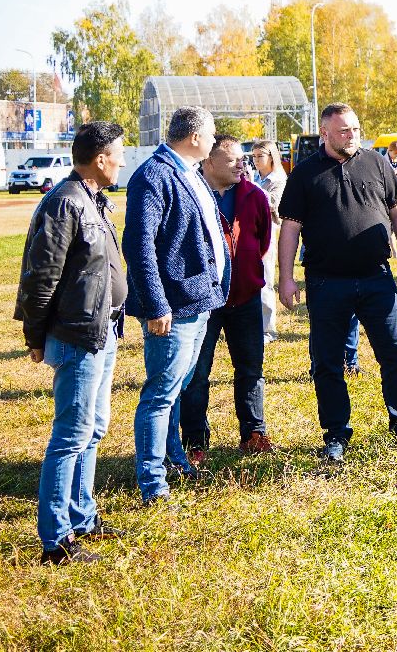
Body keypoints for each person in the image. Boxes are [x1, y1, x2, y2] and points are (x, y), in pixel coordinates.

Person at [277, 103, 397, 463]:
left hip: (377, 278)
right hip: (326, 283)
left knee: (395, 354)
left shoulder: (377, 163)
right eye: (344, 131)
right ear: (325, 134)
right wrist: (285, 278)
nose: (352, 136)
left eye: (356, 129)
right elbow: (291, 227)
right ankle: (336, 434)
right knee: (327, 362)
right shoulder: (304, 174)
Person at [15, 121, 128, 563]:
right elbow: (40, 275)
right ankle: (56, 541)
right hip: (77, 336)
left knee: (93, 429)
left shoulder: (94, 200)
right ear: (99, 160)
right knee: (71, 435)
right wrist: (34, 334)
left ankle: (83, 516)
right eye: (117, 153)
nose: (121, 160)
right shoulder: (65, 203)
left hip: (102, 332)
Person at [123, 106, 228, 505]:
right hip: (174, 306)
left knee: (177, 387)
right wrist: (155, 304)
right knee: (161, 392)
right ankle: (153, 483)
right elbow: (139, 245)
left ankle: (172, 458)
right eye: (212, 134)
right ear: (196, 137)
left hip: (199, 299)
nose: (216, 141)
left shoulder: (189, 173)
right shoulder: (154, 175)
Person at [179, 135, 276, 462]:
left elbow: (262, 242)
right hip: (202, 301)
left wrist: (244, 272)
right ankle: (195, 441)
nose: (242, 164)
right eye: (233, 159)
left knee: (250, 368)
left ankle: (253, 432)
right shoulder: (192, 194)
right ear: (208, 161)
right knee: (196, 373)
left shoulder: (255, 196)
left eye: (243, 159)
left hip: (246, 298)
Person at [248, 139, 286, 341]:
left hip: (268, 232)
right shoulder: (256, 177)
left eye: (259, 156)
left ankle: (268, 330)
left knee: (265, 279)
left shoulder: (278, 179)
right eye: (253, 156)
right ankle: (254, 325)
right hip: (250, 231)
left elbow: (273, 205)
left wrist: (251, 187)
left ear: (272, 157)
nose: (255, 160)